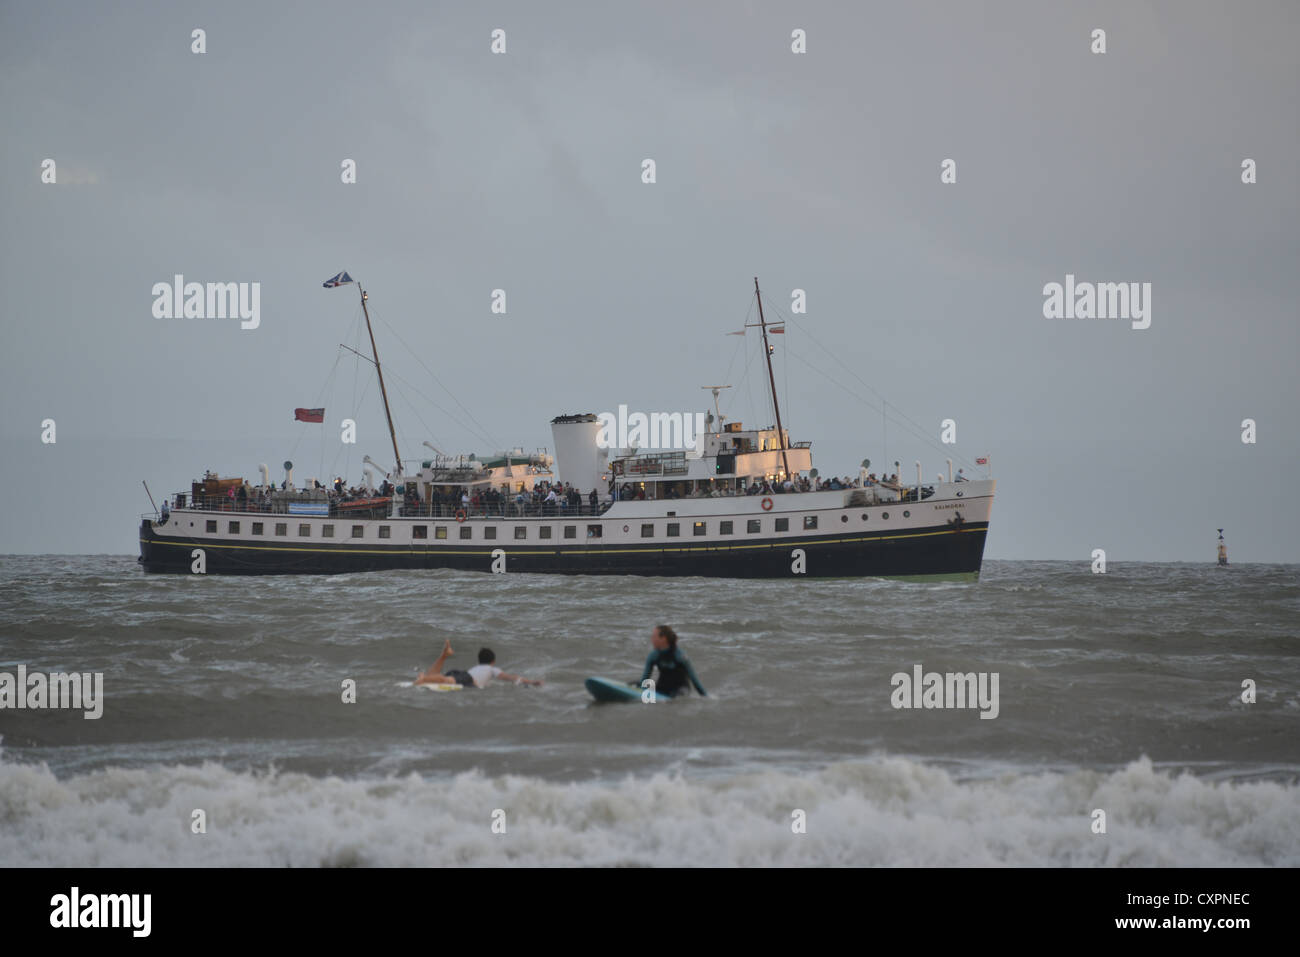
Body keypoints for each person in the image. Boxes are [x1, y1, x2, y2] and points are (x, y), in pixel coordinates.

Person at [414, 640, 542, 688]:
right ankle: (423, 678)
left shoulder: (476, 667)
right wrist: (530, 682)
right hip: (467, 678)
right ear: (493, 661)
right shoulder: (492, 669)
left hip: (463, 673)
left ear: (479, 660)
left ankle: (443, 657)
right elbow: (510, 677)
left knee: (441, 677)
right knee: (445, 679)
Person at [635, 625, 706, 698]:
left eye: (654, 637)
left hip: (680, 689)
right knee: (635, 684)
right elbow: (645, 679)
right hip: (662, 687)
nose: (651, 639)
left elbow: (695, 681)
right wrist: (640, 691)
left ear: (663, 639)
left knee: (678, 696)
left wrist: (705, 697)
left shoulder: (680, 656)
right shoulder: (653, 656)